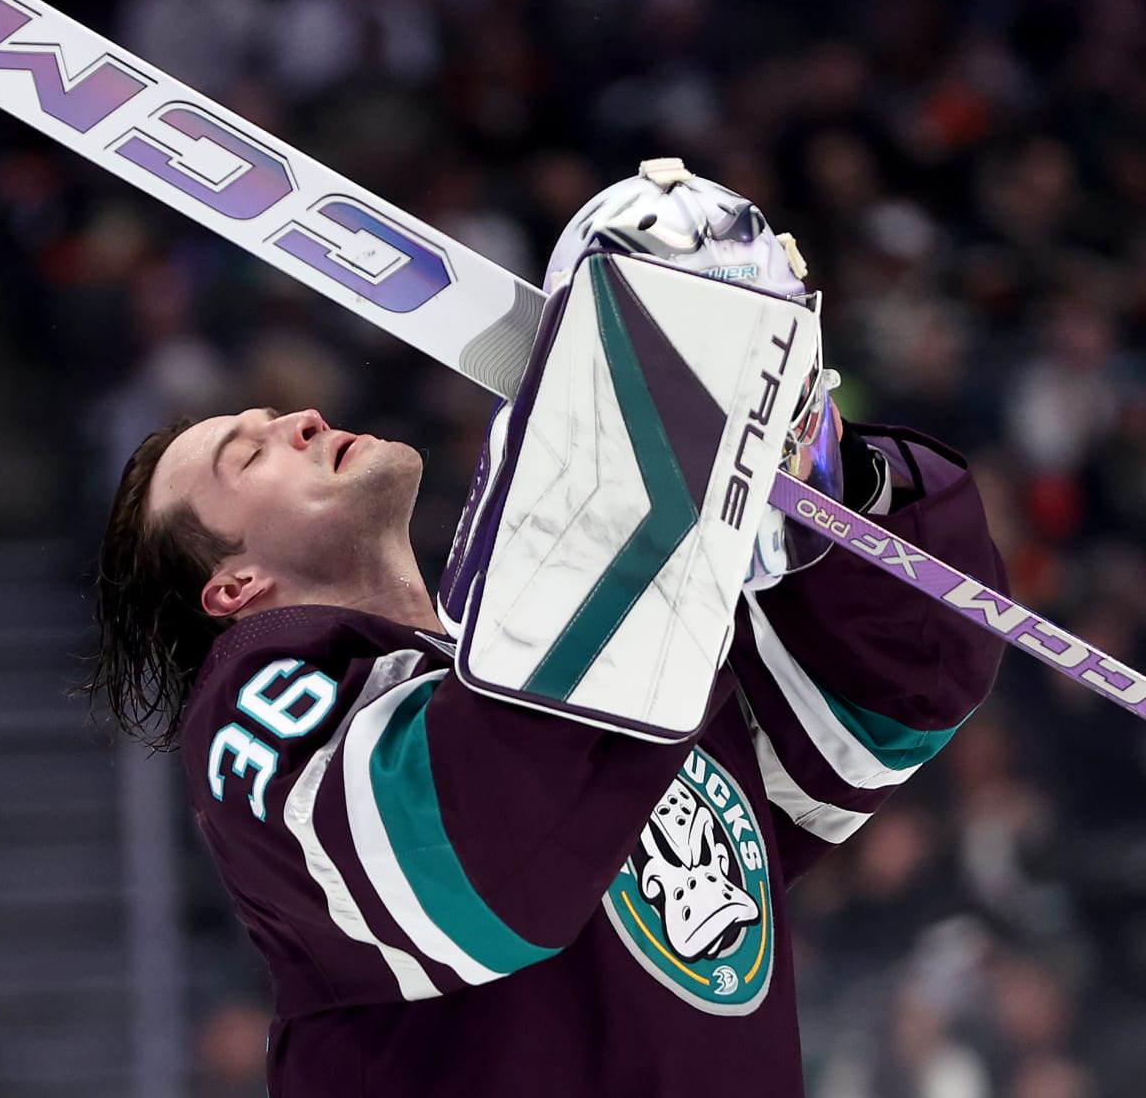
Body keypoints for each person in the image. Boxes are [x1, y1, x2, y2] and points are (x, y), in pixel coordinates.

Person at [88, 163, 1007, 1096]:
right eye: (248, 453)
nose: (302, 418)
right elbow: (477, 860)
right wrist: (618, 429)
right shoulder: (251, 708)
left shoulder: (632, 666)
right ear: (235, 584)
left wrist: (819, 471)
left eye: (278, 413)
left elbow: (895, 697)